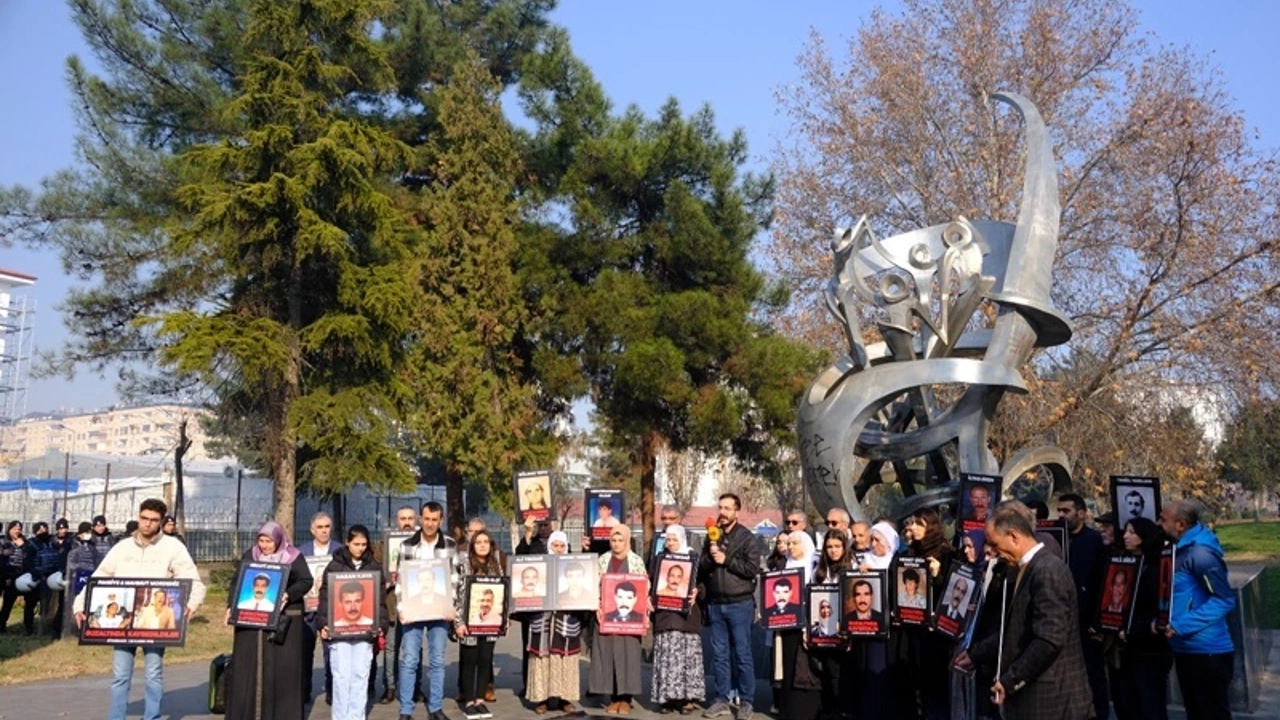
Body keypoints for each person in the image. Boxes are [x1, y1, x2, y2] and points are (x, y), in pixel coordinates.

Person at [72, 498, 207, 720]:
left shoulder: (173, 547)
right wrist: (79, 604)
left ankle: (151, 716)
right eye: (144, 518)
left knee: (153, 673)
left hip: (154, 622)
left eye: (154, 520)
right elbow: (100, 577)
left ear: (161, 522)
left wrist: (192, 604)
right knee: (120, 675)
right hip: (124, 622)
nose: (148, 524)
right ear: (138, 517)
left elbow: (193, 580)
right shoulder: (122, 547)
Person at [956, 501, 1092, 720]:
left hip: (1052, 702)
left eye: (995, 544)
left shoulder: (1048, 571)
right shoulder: (1020, 570)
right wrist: (977, 654)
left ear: (1013, 536)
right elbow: (1014, 630)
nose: (993, 552)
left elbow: (1049, 640)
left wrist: (1010, 680)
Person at [224, 520, 313, 720]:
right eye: (261, 540)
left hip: (282, 621)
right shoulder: (251, 555)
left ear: (278, 540)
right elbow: (237, 582)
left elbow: (306, 580)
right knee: (249, 667)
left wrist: (288, 594)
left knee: (279, 670)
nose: (264, 545)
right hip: (251, 620)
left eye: (269, 541)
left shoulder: (292, 557)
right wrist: (231, 606)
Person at [1160, 500, 1235, 720]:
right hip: (1186, 650)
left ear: (1181, 524)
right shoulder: (1178, 548)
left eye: (1164, 520)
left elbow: (1224, 600)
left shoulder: (1200, 554)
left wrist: (1180, 625)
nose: (1159, 523)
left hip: (1208, 652)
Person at [318, 524, 390, 720]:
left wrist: (381, 626)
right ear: (347, 542)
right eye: (356, 544)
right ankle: (340, 717)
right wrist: (322, 624)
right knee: (341, 677)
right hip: (339, 632)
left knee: (360, 676)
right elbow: (325, 598)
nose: (360, 548)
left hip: (364, 633)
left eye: (364, 544)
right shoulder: (334, 566)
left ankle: (357, 716)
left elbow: (380, 602)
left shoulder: (374, 567)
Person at [698, 493, 759, 720]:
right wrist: (711, 557)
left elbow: (752, 568)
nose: (722, 512)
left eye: (727, 508)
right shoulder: (712, 535)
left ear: (737, 512)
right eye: (720, 507)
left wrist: (726, 560)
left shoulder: (746, 537)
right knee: (720, 655)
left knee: (743, 654)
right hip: (716, 604)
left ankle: (747, 702)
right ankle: (721, 700)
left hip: (740, 604)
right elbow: (702, 566)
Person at [397, 501, 459, 720]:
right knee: (410, 660)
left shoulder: (449, 545)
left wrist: (451, 609)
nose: (430, 524)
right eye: (427, 519)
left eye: (435, 520)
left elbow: (454, 580)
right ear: (420, 519)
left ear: (441, 521)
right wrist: (401, 608)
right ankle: (406, 710)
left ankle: (435, 708)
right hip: (413, 612)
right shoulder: (407, 545)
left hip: (440, 612)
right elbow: (401, 582)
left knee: (437, 661)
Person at [1057, 493, 1110, 720]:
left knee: (1094, 676)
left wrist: (1098, 621)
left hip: (1088, 623)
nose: (1061, 516)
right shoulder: (1057, 539)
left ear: (1081, 513)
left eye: (1066, 511)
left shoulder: (1095, 541)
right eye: (1059, 511)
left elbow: (1103, 582)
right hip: (1064, 621)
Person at [1113, 517, 1172, 720]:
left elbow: (1157, 611)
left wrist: (1135, 628)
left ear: (1144, 537)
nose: (1125, 536)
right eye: (1125, 531)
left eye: (1132, 532)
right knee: (1130, 703)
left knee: (1151, 705)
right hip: (1128, 647)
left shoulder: (1155, 569)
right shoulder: (1124, 564)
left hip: (1150, 648)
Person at [525, 531, 585, 714]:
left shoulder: (573, 569)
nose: (558, 549)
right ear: (548, 547)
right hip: (543, 620)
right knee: (542, 659)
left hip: (566, 620)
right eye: (555, 545)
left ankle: (564, 699)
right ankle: (541, 699)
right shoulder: (540, 566)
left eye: (562, 546)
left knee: (564, 658)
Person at [591, 525, 647, 714]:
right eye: (613, 540)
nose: (617, 544)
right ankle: (613, 698)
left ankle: (626, 698)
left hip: (630, 621)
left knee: (628, 655)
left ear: (627, 540)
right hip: (607, 617)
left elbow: (643, 588)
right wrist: (597, 607)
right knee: (608, 654)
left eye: (620, 540)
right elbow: (594, 587)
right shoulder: (603, 560)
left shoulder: (636, 561)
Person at [650, 525, 705, 715]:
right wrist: (650, 599)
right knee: (667, 657)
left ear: (682, 539)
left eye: (674, 539)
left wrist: (698, 591)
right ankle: (667, 699)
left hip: (686, 619)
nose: (670, 543)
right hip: (665, 617)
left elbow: (705, 585)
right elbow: (652, 583)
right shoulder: (659, 560)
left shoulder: (694, 559)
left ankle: (687, 699)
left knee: (687, 659)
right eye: (668, 539)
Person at [454, 529, 505, 719]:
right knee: (469, 662)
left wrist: (503, 620)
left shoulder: (495, 565)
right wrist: (459, 622)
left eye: (486, 542)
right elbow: (457, 595)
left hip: (491, 623)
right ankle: (468, 701)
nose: (482, 545)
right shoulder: (464, 564)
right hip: (468, 622)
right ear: (472, 545)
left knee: (485, 661)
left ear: (491, 545)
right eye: (478, 542)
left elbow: (502, 594)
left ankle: (480, 700)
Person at [778, 529, 822, 720]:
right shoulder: (784, 565)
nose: (791, 547)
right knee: (789, 666)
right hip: (787, 626)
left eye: (795, 543)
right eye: (789, 544)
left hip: (808, 625)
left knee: (806, 667)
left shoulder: (813, 567)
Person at [383, 505, 420, 705]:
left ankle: (416, 687)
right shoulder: (386, 543)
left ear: (416, 520)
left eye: (410, 518)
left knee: (414, 648)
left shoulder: (423, 544)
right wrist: (385, 578)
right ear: (396, 521)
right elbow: (378, 569)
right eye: (402, 518)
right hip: (391, 602)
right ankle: (390, 687)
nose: (406, 522)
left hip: (416, 603)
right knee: (391, 647)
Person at [299, 511, 337, 704]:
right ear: (312, 530)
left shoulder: (339, 550)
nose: (324, 531)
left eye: (327, 527)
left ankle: (331, 690)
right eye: (320, 527)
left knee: (331, 652)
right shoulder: (302, 552)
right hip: (308, 611)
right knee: (305, 652)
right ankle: (304, 690)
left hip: (331, 611)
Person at [1, 520, 35, 635]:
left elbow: (33, 553)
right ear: (9, 529)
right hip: (10, 574)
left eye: (19, 529)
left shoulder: (26, 542)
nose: (17, 531)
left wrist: (24, 546)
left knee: (30, 602)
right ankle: (2, 626)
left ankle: (28, 627)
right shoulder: (3, 541)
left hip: (24, 574)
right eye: (14, 529)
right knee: (8, 602)